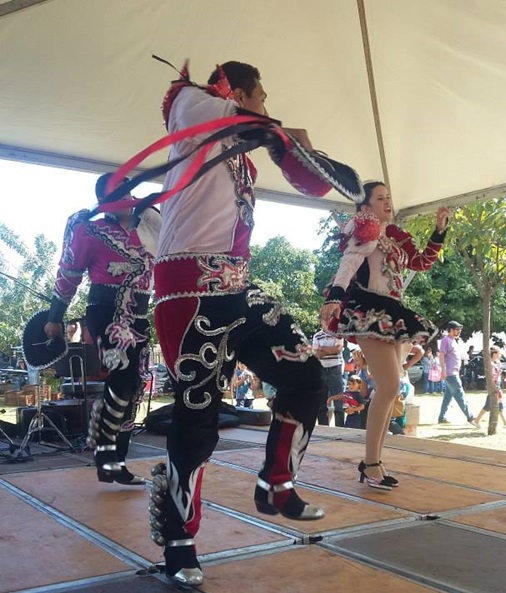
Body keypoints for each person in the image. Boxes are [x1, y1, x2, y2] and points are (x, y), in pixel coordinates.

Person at [148, 60, 347, 586]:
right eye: (261, 97)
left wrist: (293, 147)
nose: (265, 106)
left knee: (308, 376)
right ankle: (179, 542)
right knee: (198, 417)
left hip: (238, 287)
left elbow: (307, 175)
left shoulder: (241, 152)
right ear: (238, 92)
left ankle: (276, 484)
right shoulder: (190, 104)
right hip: (189, 289)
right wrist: (274, 130)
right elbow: (204, 110)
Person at [320, 181, 448, 490]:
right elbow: (350, 262)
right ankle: (370, 463)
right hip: (369, 311)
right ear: (366, 206)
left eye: (388, 197)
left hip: (393, 312)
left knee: (392, 389)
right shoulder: (365, 229)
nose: (388, 202)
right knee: (389, 386)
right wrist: (334, 296)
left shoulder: (394, 234)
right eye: (380, 198)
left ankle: (374, 461)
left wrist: (439, 232)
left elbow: (421, 262)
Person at [44, 173, 159, 486]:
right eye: (117, 193)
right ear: (104, 200)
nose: (126, 198)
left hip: (138, 316)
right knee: (124, 376)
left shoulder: (151, 225)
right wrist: (55, 317)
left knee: (135, 387)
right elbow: (68, 273)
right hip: (105, 312)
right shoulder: (89, 228)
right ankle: (104, 454)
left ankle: (116, 461)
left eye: (128, 191)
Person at [438, 321, 479, 427]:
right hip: (450, 373)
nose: (459, 331)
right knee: (460, 395)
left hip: (454, 372)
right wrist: (443, 370)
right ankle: (470, 417)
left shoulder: (453, 341)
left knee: (448, 396)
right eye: (457, 329)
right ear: (450, 330)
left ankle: (442, 417)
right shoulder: (445, 340)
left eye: (460, 329)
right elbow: (441, 355)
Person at [312, 328, 345, 427]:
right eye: (324, 319)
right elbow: (316, 353)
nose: (327, 321)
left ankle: (340, 428)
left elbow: (338, 349)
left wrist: (322, 348)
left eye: (328, 319)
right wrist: (331, 350)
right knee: (321, 403)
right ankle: (323, 428)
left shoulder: (337, 333)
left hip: (335, 369)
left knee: (339, 402)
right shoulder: (317, 335)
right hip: (321, 369)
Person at [473, 346, 506, 428]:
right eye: (499, 353)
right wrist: (495, 384)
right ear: (494, 354)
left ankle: (505, 422)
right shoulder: (490, 365)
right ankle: (477, 420)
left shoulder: (496, 363)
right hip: (494, 385)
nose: (500, 355)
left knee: (499, 404)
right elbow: (492, 376)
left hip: (497, 384)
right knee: (488, 405)